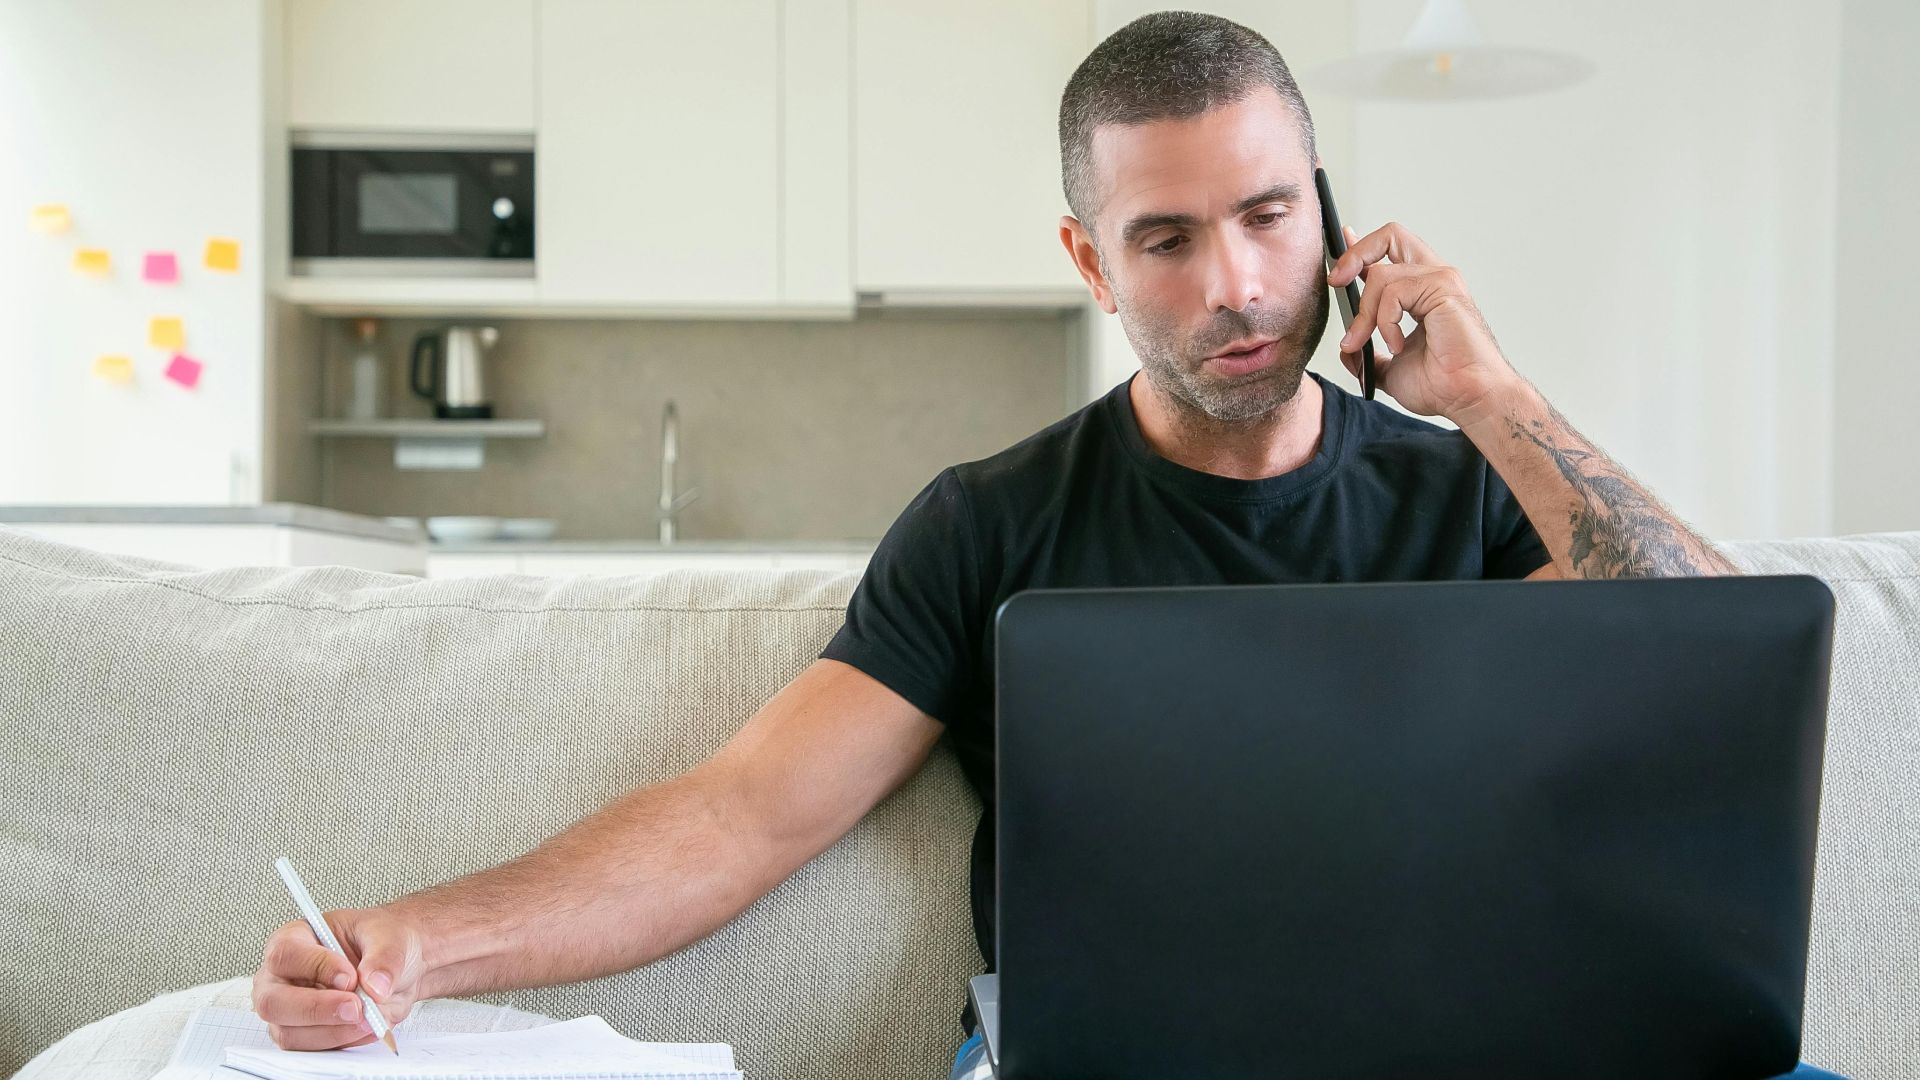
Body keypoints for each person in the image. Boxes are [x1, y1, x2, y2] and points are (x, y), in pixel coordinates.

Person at [253, 10, 1843, 1079]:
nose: (1233, 282)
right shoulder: (990, 521)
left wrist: (1493, 394)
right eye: (1166, 237)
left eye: (1271, 215)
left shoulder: (1471, 490)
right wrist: (411, 947)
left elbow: (1705, 679)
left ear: (1334, 215)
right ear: (1092, 260)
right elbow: (742, 817)